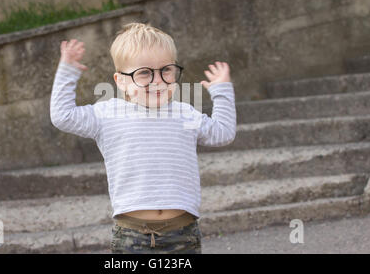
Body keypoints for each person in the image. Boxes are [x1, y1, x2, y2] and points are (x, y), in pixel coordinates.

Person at [50, 22, 237, 253]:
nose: (157, 81)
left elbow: (223, 133)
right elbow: (62, 116)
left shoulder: (185, 113)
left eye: (166, 70)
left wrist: (222, 91)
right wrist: (67, 71)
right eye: (145, 73)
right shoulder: (108, 114)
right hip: (131, 234)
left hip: (182, 233)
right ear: (121, 82)